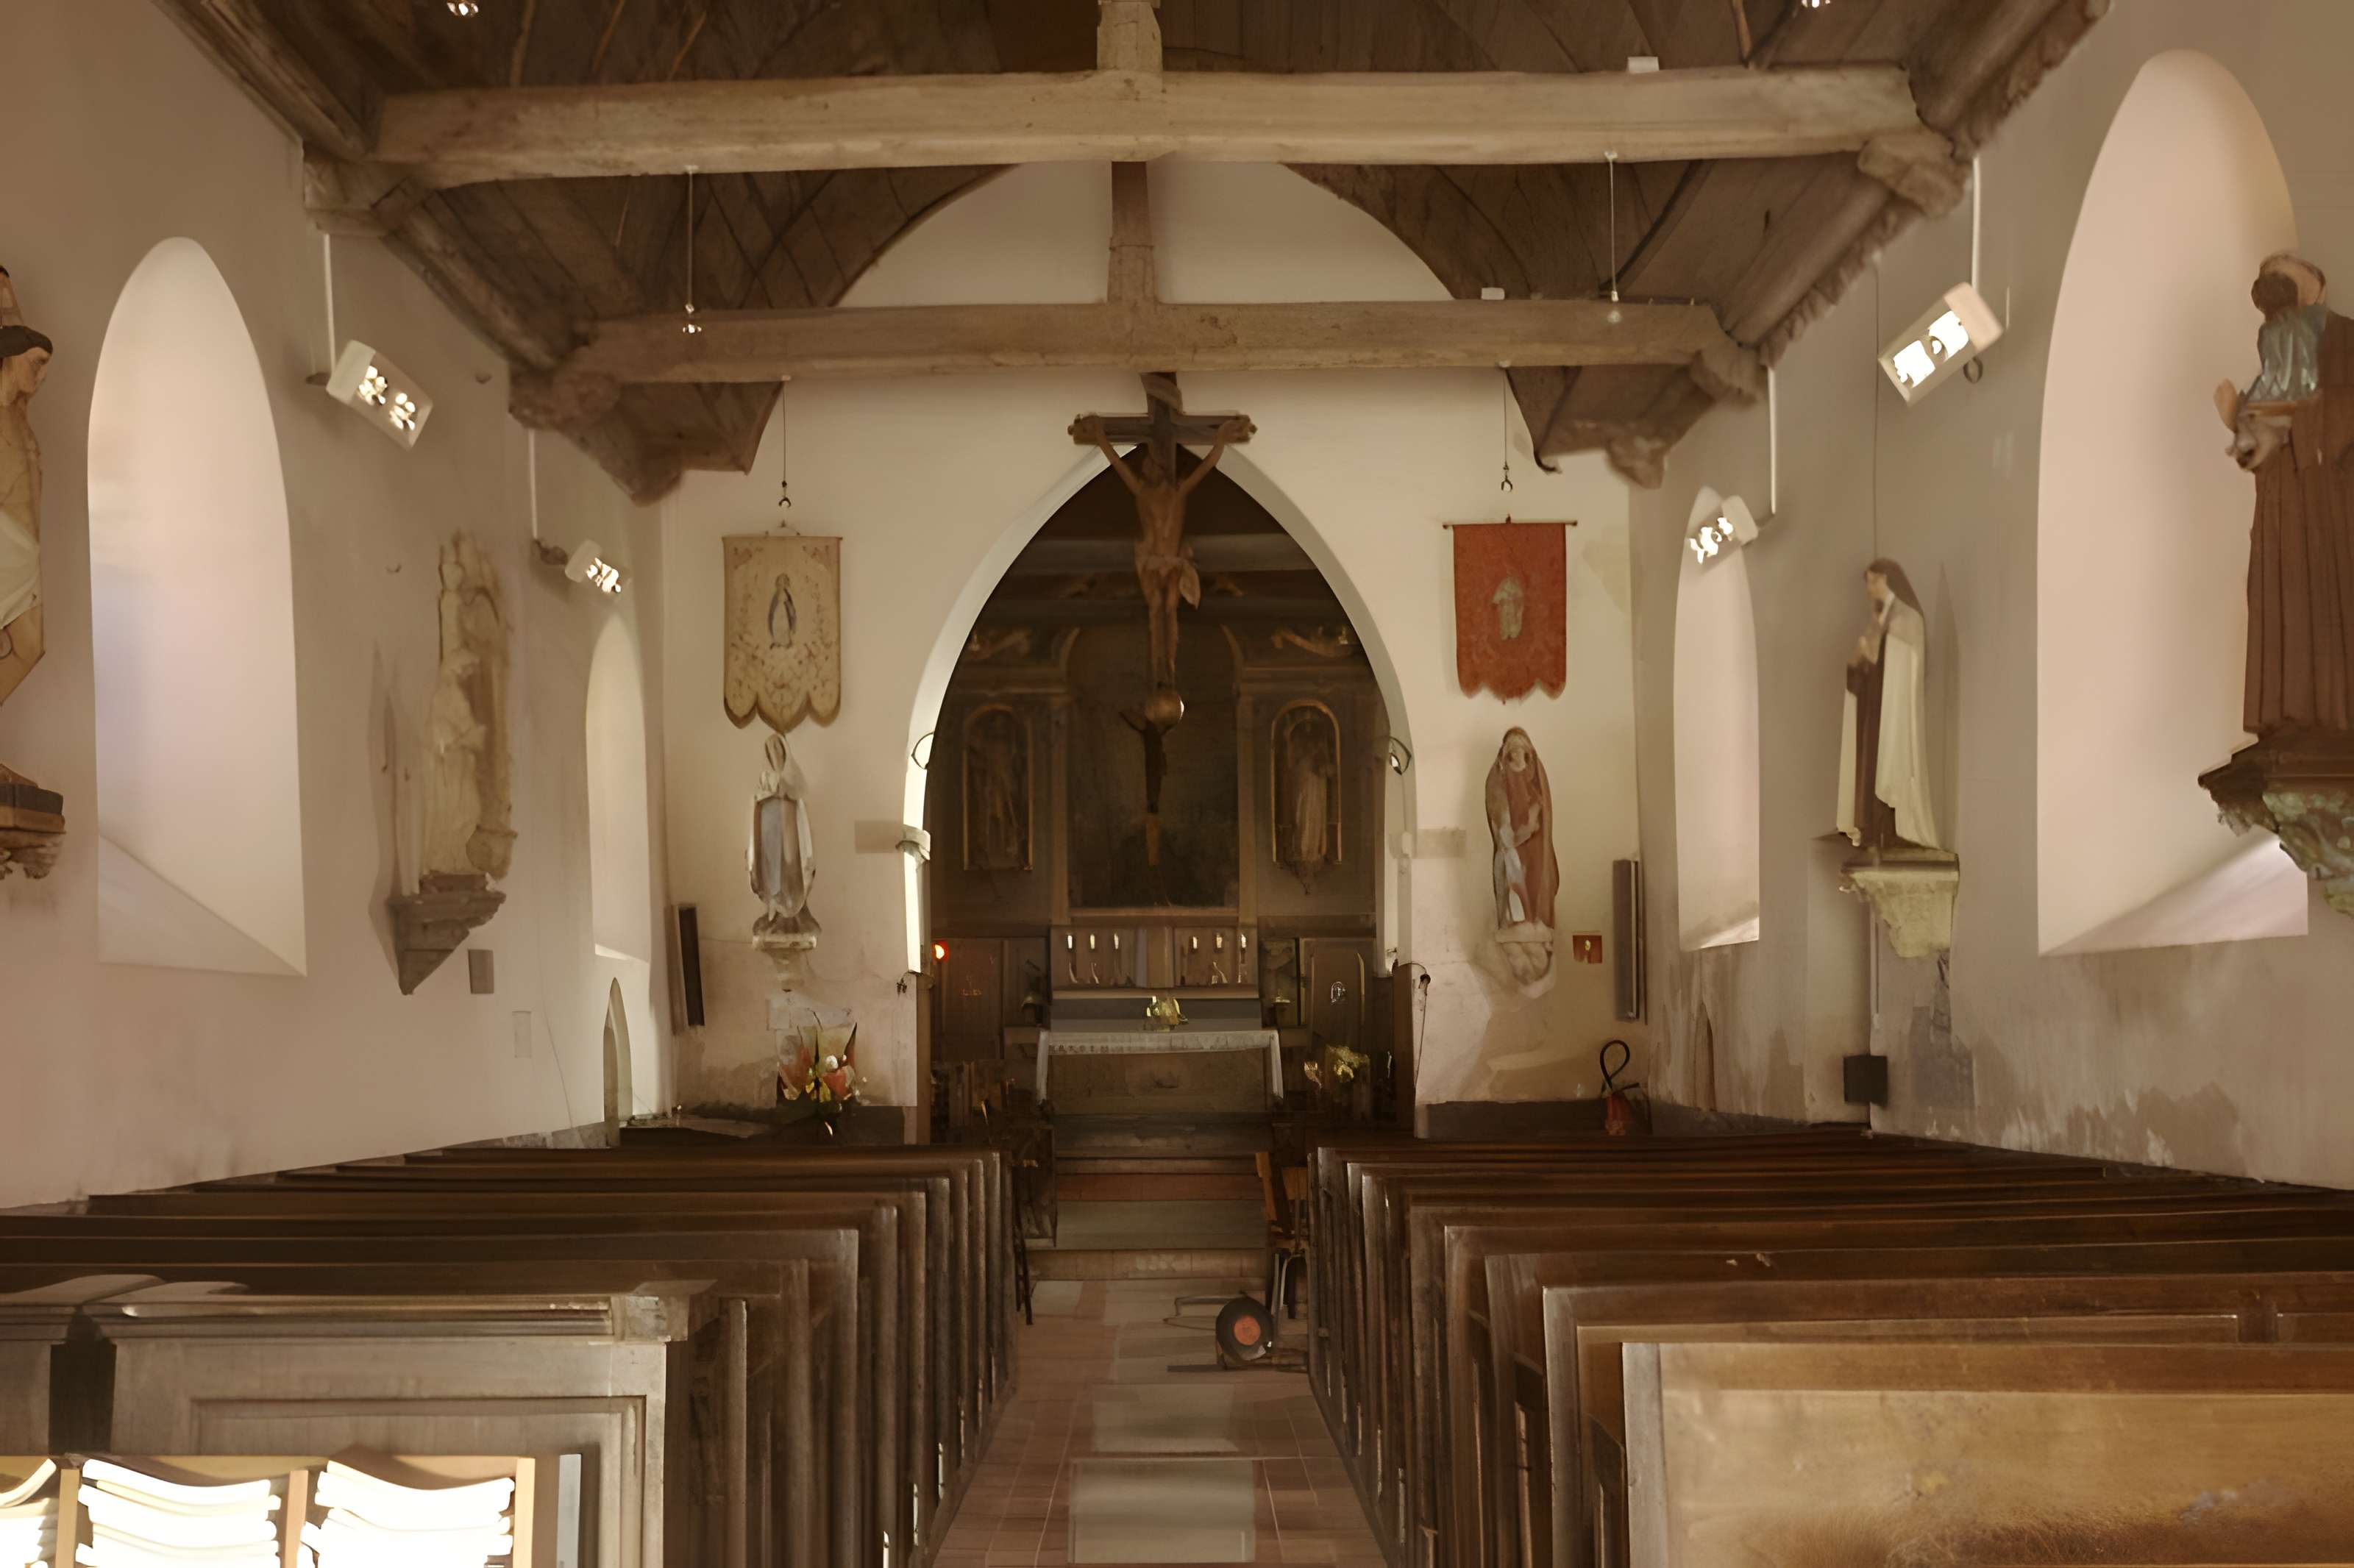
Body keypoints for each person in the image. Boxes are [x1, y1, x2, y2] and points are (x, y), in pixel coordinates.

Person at [2214, 253, 2354, 735]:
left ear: (2318, 285)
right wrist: (2240, 419)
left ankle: (2338, 714)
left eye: (2288, 281)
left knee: (2334, 599)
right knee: (2287, 602)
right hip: (2285, 507)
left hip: (2335, 501)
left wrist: (2300, 422)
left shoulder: (2348, 339)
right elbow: (2262, 440)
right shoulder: (2279, 346)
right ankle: (2293, 714)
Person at [1072, 412, 1255, 694]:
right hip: (1153, 561)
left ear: (1159, 469)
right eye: (1146, 466)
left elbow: (1206, 467)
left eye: (1151, 465)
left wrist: (1220, 439)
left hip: (1171, 562)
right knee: (1157, 609)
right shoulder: (1142, 492)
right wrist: (1099, 437)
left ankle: (1168, 664)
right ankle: (1160, 666)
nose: (1149, 469)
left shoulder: (1177, 493)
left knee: (1168, 608)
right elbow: (1118, 465)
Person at [1837, 558, 1942, 852]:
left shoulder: (1907, 618)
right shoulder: (1882, 618)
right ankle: (1875, 829)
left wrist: (1874, 647)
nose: (1870, 590)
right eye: (1868, 583)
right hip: (1876, 707)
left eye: (1873, 582)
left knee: (1892, 760)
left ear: (1887, 580)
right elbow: (1864, 663)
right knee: (1871, 762)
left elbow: (1901, 659)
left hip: (1895, 708)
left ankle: (1894, 829)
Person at [1485, 727, 1557, 931]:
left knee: (1534, 873)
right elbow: (1497, 800)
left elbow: (1540, 799)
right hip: (1513, 833)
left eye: (1520, 750)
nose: (1516, 754)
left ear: (1526, 752)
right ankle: (1510, 919)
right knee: (1511, 874)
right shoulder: (1501, 773)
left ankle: (1533, 917)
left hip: (1532, 835)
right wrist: (1508, 828)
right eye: (1513, 750)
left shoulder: (1533, 772)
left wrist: (1534, 815)